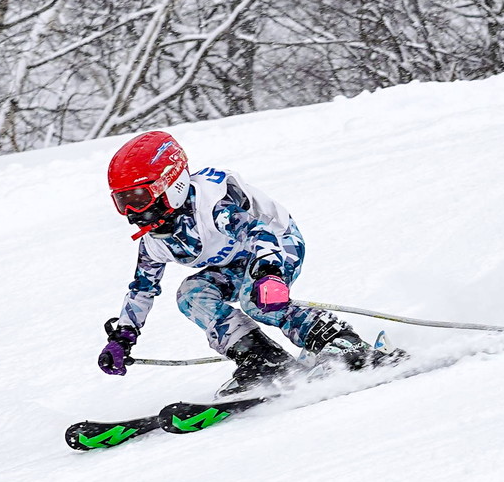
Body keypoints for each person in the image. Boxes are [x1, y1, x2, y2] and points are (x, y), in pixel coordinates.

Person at [97, 130, 398, 394]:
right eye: (123, 202)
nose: (133, 213)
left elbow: (260, 234)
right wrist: (124, 336)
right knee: (191, 294)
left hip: (277, 245)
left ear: (171, 185)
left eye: (139, 198)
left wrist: (269, 274)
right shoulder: (155, 239)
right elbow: (142, 290)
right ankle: (262, 359)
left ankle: (340, 341)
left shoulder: (213, 208)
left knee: (257, 300)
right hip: (235, 262)